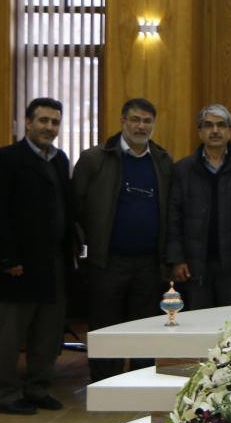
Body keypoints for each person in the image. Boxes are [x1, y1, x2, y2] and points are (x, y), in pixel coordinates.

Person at [73, 98, 173, 382]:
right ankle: (106, 383)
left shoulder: (162, 160)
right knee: (106, 327)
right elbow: (76, 206)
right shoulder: (95, 158)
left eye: (147, 121)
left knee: (145, 327)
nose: (141, 126)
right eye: (135, 119)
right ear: (123, 122)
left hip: (149, 262)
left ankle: (141, 381)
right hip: (108, 261)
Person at [0, 98, 76, 414]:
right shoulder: (7, 159)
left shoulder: (60, 160)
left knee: (48, 330)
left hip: (54, 260)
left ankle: (37, 387)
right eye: (43, 120)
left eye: (55, 122)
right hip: (18, 264)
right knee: (11, 333)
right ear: (28, 123)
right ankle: (6, 393)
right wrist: (8, 258)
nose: (49, 127)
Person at [166, 104, 231, 310]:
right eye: (208, 125)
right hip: (194, 263)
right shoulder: (183, 169)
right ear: (200, 131)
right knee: (197, 318)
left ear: (230, 130)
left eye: (221, 125)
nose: (215, 130)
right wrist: (177, 259)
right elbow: (173, 218)